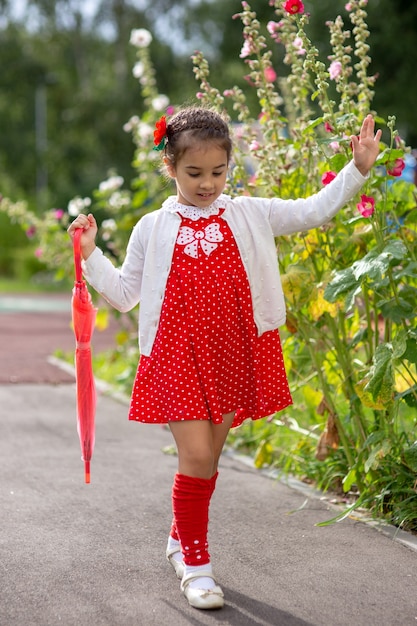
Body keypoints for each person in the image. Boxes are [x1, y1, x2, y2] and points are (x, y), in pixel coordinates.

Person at [67, 107, 381, 611]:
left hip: (234, 351)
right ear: (170, 166)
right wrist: (90, 255)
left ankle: (178, 536)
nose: (207, 183)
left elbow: (312, 210)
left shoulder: (249, 213)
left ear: (230, 166)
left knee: (208, 461)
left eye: (218, 172)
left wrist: (357, 169)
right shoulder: (152, 226)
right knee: (195, 458)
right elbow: (125, 294)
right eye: (194, 173)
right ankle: (196, 565)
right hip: (175, 355)